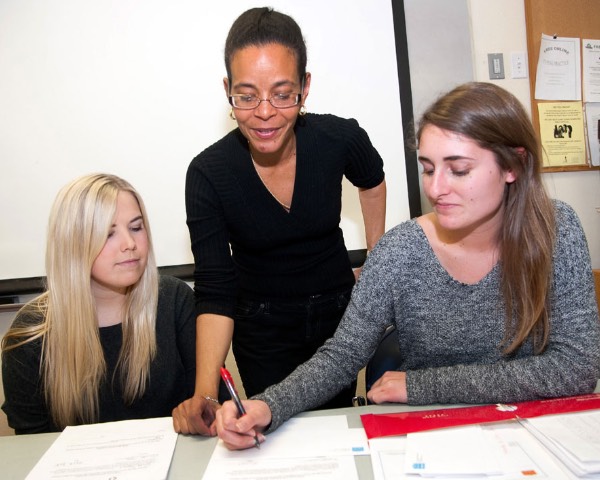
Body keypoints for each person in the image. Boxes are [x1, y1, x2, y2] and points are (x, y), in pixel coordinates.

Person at [214, 82, 600, 450]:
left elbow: (577, 368)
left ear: (513, 165)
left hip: (531, 436)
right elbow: (342, 357)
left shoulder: (556, 231)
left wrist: (422, 386)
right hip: (432, 439)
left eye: (459, 170)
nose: (435, 189)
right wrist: (269, 405)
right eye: (428, 168)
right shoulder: (400, 251)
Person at [173, 7, 386, 435]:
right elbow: (215, 290)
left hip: (337, 319)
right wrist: (205, 394)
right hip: (261, 328)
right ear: (227, 90)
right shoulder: (208, 173)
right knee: (273, 436)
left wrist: (378, 259)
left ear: (305, 88)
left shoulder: (339, 138)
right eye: (247, 95)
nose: (265, 112)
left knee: (334, 431)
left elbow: (373, 180)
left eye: (283, 93)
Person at [1, 174, 197, 434]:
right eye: (108, 234)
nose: (129, 244)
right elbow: (31, 447)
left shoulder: (175, 301)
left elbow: (211, 405)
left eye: (136, 228)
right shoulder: (30, 334)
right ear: (74, 244)